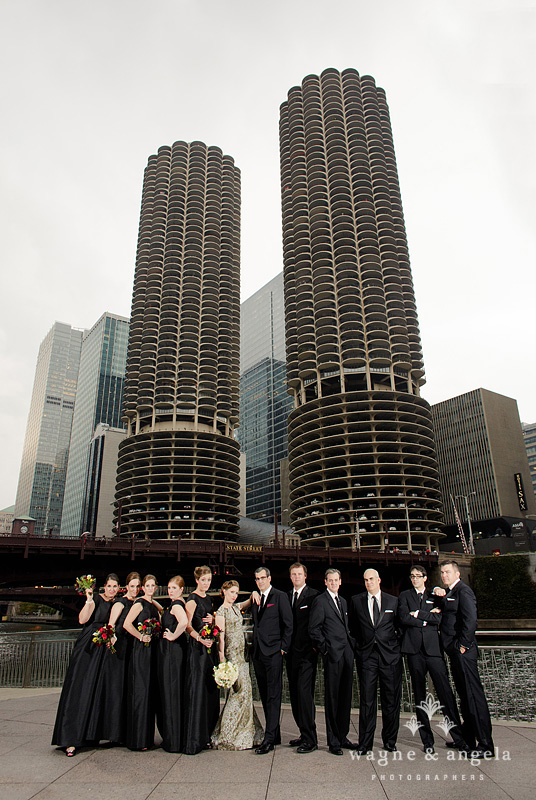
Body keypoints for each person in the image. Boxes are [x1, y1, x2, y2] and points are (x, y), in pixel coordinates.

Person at [398, 566, 468, 754]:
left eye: (418, 576)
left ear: (425, 578)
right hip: (414, 651)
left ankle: (459, 739)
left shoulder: (436, 594)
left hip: (433, 651)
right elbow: (403, 618)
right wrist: (427, 617)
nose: (414, 579)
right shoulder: (404, 596)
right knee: (419, 696)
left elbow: (440, 619)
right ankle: (427, 741)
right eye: (412, 576)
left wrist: (418, 614)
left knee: (446, 693)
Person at [51, 573, 120, 756]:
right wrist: (89, 600)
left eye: (115, 587)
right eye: (109, 586)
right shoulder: (95, 598)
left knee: (97, 690)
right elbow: (82, 620)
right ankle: (71, 739)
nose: (111, 589)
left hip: (104, 650)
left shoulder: (116, 604)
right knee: (79, 688)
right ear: (103, 586)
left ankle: (90, 735)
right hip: (88, 647)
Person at [433, 560, 494, 757]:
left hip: (463, 653)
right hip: (455, 652)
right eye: (442, 573)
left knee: (473, 697)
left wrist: (463, 646)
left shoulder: (463, 591)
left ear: (457, 574)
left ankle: (485, 745)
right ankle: (468, 740)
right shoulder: (450, 592)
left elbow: (470, 620)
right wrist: (436, 591)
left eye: (447, 572)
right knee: (464, 697)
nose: (444, 576)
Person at [349, 568, 401, 754]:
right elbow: (352, 629)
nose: (368, 582)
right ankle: (365, 743)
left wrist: (395, 650)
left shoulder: (393, 601)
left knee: (390, 701)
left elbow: (400, 627)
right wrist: (359, 649)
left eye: (371, 579)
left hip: (389, 658)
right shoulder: (356, 602)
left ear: (379, 580)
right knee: (367, 701)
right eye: (365, 580)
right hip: (367, 657)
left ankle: (390, 741)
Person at [86, 571, 141, 744]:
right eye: (132, 586)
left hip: (131, 649)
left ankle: (121, 733)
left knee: (125, 690)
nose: (135, 589)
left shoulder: (138, 602)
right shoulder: (120, 602)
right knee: (115, 691)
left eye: (138, 586)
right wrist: (111, 639)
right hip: (119, 650)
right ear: (126, 587)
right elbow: (111, 625)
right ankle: (111, 733)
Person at [308, 568, 356, 756]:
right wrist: (325, 650)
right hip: (333, 655)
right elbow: (314, 629)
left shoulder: (343, 601)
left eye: (337, 580)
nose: (334, 583)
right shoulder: (320, 601)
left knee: (345, 697)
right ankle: (333, 741)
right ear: (325, 582)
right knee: (333, 698)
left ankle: (343, 736)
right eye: (331, 580)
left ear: (340, 582)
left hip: (346, 655)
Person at [211, 580, 264, 750]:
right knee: (238, 693)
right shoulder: (221, 612)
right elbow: (221, 636)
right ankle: (228, 734)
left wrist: (254, 593)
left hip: (242, 656)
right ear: (224, 592)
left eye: (236, 592)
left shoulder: (236, 607)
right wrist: (222, 658)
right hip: (232, 657)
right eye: (231, 592)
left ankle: (245, 731)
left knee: (246, 693)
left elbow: (247, 602)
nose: (234, 595)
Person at [251, 566, 293, 754]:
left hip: (274, 653)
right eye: (257, 579)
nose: (260, 581)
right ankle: (274, 734)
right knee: (265, 695)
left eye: (262, 578)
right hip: (259, 654)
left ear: (269, 578)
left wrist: (283, 649)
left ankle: (268, 740)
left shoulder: (280, 596)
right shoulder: (255, 598)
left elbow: (288, 624)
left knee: (274, 696)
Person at [123, 574, 162, 750]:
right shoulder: (138, 603)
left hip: (152, 651)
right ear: (143, 587)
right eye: (147, 585)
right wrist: (141, 636)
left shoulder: (152, 604)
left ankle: (147, 739)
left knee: (149, 694)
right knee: (140, 692)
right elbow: (126, 624)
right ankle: (137, 740)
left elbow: (162, 611)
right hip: (141, 651)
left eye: (153, 585)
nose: (150, 588)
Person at [183, 565, 220, 755]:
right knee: (197, 692)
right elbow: (187, 626)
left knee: (210, 691)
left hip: (209, 649)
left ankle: (207, 735)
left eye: (209, 580)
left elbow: (211, 620)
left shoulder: (210, 599)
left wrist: (212, 623)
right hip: (197, 649)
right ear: (196, 580)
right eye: (203, 580)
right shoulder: (192, 599)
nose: (206, 583)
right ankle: (195, 738)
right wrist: (200, 638)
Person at [286, 562, 319, 752]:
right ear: (290, 577)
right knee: (295, 695)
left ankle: (311, 739)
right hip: (290, 654)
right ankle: (302, 733)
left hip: (307, 654)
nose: (296, 577)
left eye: (299, 574)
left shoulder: (314, 596)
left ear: (305, 576)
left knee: (305, 695)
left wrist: (315, 648)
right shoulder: (286, 596)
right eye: (293, 574)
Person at [157, 575, 189, 752]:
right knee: (173, 692)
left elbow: (184, 622)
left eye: (174, 588)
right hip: (174, 652)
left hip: (172, 653)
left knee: (171, 692)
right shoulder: (176, 604)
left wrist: (172, 636)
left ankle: (173, 739)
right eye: (169, 588)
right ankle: (175, 737)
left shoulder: (177, 605)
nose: (170, 591)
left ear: (181, 590)